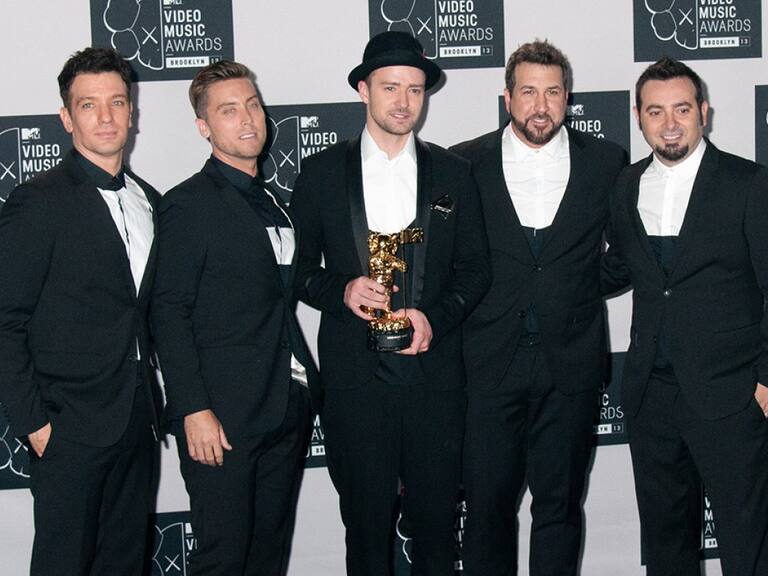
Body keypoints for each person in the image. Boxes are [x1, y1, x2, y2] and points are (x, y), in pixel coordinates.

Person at [290, 31, 491, 576]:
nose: (403, 102)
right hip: (356, 386)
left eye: (415, 90)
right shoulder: (321, 174)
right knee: (365, 532)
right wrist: (342, 290)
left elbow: (477, 270)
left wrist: (434, 320)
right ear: (363, 90)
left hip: (435, 384)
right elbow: (298, 273)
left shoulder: (453, 173)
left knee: (437, 533)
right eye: (389, 87)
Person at [451, 40, 627, 576]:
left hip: (570, 364)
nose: (541, 106)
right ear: (507, 98)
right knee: (486, 510)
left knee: (559, 508)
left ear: (567, 97)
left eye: (552, 92)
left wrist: (574, 288)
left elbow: (627, 254)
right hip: (487, 364)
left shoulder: (606, 161)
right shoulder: (464, 162)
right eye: (528, 92)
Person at [602, 56, 768, 576]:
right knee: (665, 545)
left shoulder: (749, 183)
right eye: (655, 111)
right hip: (651, 394)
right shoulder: (625, 185)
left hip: (731, 393)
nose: (669, 123)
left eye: (681, 109)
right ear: (638, 117)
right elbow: (618, 268)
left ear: (704, 112)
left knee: (747, 545)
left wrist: (765, 380)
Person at [150, 60, 317, 576]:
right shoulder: (188, 204)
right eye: (228, 110)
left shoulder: (275, 202)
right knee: (223, 559)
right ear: (203, 127)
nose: (247, 119)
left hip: (284, 405)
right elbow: (168, 311)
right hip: (221, 417)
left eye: (252, 105)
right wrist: (193, 408)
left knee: (268, 556)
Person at [0, 47, 161, 576]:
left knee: (124, 563)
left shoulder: (149, 200)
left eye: (117, 102)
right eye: (89, 105)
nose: (106, 116)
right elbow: (5, 319)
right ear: (67, 118)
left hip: (137, 421)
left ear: (132, 111)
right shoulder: (38, 202)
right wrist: (36, 425)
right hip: (67, 427)